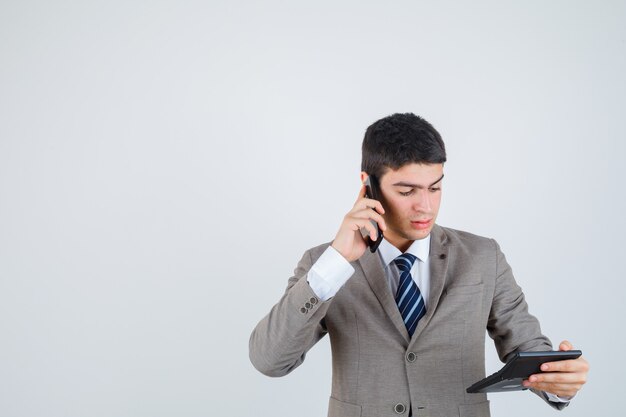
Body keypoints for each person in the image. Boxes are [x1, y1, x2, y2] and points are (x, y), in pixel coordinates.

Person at [249, 113, 588, 417]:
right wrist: (337, 260)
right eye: (407, 191)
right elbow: (270, 360)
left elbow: (528, 349)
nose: (425, 207)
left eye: (435, 188)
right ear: (368, 184)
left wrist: (558, 380)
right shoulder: (325, 265)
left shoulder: (484, 256)